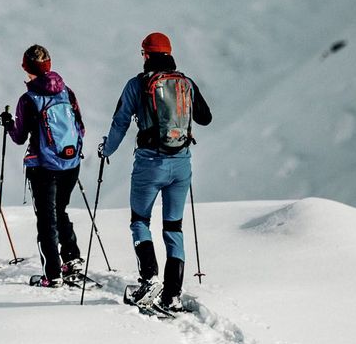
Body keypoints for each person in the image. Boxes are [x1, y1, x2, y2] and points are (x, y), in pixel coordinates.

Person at [99, 31, 213, 311]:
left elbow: (120, 122)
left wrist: (106, 150)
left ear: (146, 55)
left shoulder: (136, 85)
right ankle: (172, 294)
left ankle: (149, 279)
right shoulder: (185, 83)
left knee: (140, 221)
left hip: (149, 165)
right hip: (182, 163)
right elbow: (205, 118)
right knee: (174, 226)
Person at [11, 45, 88, 288]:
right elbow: (80, 128)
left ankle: (52, 275)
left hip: (43, 167)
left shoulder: (28, 99)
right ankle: (72, 258)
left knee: (46, 220)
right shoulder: (67, 92)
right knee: (60, 211)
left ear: (27, 68)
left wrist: (8, 125)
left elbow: (19, 137)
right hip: (71, 163)